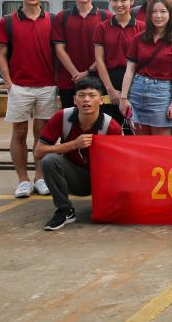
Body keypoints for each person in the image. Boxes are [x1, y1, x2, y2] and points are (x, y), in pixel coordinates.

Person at [0, 0, 57, 198]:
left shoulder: (52, 20)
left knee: (42, 134)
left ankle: (40, 178)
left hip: (47, 85)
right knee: (19, 132)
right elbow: (1, 55)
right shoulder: (8, 21)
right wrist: (9, 83)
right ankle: (23, 180)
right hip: (19, 86)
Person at [34, 76, 123, 230]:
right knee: (49, 161)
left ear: (101, 100)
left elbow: (121, 164)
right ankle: (64, 210)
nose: (86, 100)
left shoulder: (111, 127)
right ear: (75, 100)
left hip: (102, 180)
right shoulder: (62, 117)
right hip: (75, 177)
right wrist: (73, 145)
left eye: (91, 96)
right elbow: (38, 152)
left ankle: (106, 203)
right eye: (81, 96)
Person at [121, 0, 172, 135]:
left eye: (163, 11)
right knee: (141, 143)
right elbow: (129, 70)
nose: (158, 16)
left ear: (170, 14)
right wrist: (124, 98)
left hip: (162, 94)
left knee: (161, 144)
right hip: (137, 91)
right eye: (153, 12)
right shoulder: (138, 38)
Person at [51, 0, 107, 108]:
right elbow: (59, 49)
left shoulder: (106, 17)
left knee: (99, 120)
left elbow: (108, 50)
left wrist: (88, 72)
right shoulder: (62, 17)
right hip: (69, 80)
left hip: (100, 80)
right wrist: (76, 74)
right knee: (70, 120)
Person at [93, 0, 143, 125]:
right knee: (110, 125)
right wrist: (110, 90)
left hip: (136, 80)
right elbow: (99, 59)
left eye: (123, 0)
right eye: (115, 0)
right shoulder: (102, 27)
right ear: (110, 2)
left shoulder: (143, 27)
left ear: (132, 2)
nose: (119, 4)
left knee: (134, 126)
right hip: (109, 79)